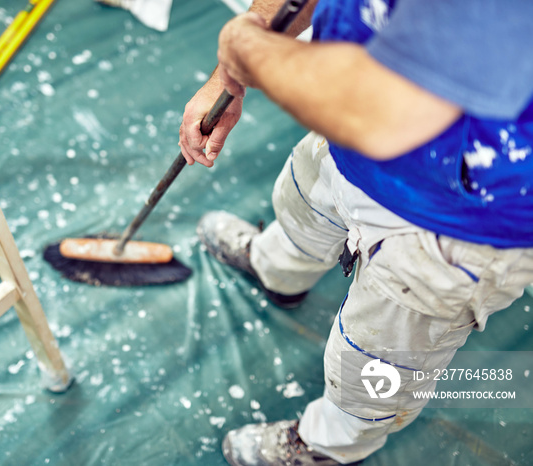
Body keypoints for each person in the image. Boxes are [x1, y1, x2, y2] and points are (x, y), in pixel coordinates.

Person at [178, 0, 533, 464]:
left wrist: (246, 50)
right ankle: (277, 274)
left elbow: (389, 111)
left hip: (464, 219)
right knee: (300, 210)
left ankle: (330, 445)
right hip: (348, 133)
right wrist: (230, 70)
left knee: (378, 364)